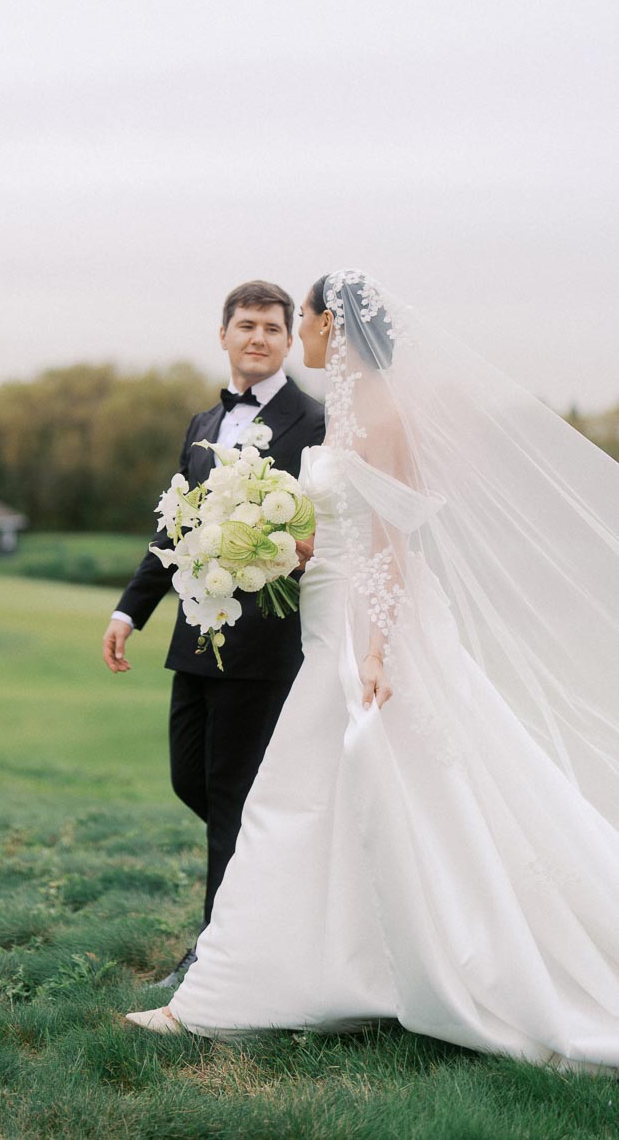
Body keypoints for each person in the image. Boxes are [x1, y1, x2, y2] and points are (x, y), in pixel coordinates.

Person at [126, 269, 619, 1073]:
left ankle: (224, 997)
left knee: (300, 797)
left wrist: (379, 649)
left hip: (358, 634)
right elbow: (350, 522)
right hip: (331, 615)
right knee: (322, 799)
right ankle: (310, 975)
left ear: (329, 325)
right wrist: (290, 546)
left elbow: (395, 539)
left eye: (308, 320)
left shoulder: (381, 410)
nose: (303, 335)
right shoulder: (357, 407)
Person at [103, 280, 325, 988]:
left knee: (230, 795)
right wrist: (129, 611)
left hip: (265, 645)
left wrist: (297, 548)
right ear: (223, 334)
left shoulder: (315, 422)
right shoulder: (203, 421)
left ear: (289, 341)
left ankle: (216, 957)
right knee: (189, 778)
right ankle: (270, 881)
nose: (257, 337)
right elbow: (173, 528)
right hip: (194, 640)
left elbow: (325, 528)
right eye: (245, 325)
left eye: (271, 328)